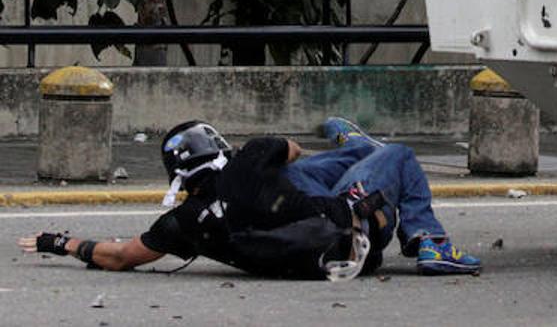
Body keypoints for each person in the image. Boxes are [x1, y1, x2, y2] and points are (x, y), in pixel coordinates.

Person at [17, 117, 481, 278]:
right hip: (361, 228)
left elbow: (118, 256)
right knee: (398, 156)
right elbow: (292, 150)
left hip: (324, 258)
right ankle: (429, 241)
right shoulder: (250, 160)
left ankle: (357, 148)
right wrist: (260, 161)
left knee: (313, 172)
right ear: (218, 149)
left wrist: (59, 243)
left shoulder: (186, 222)